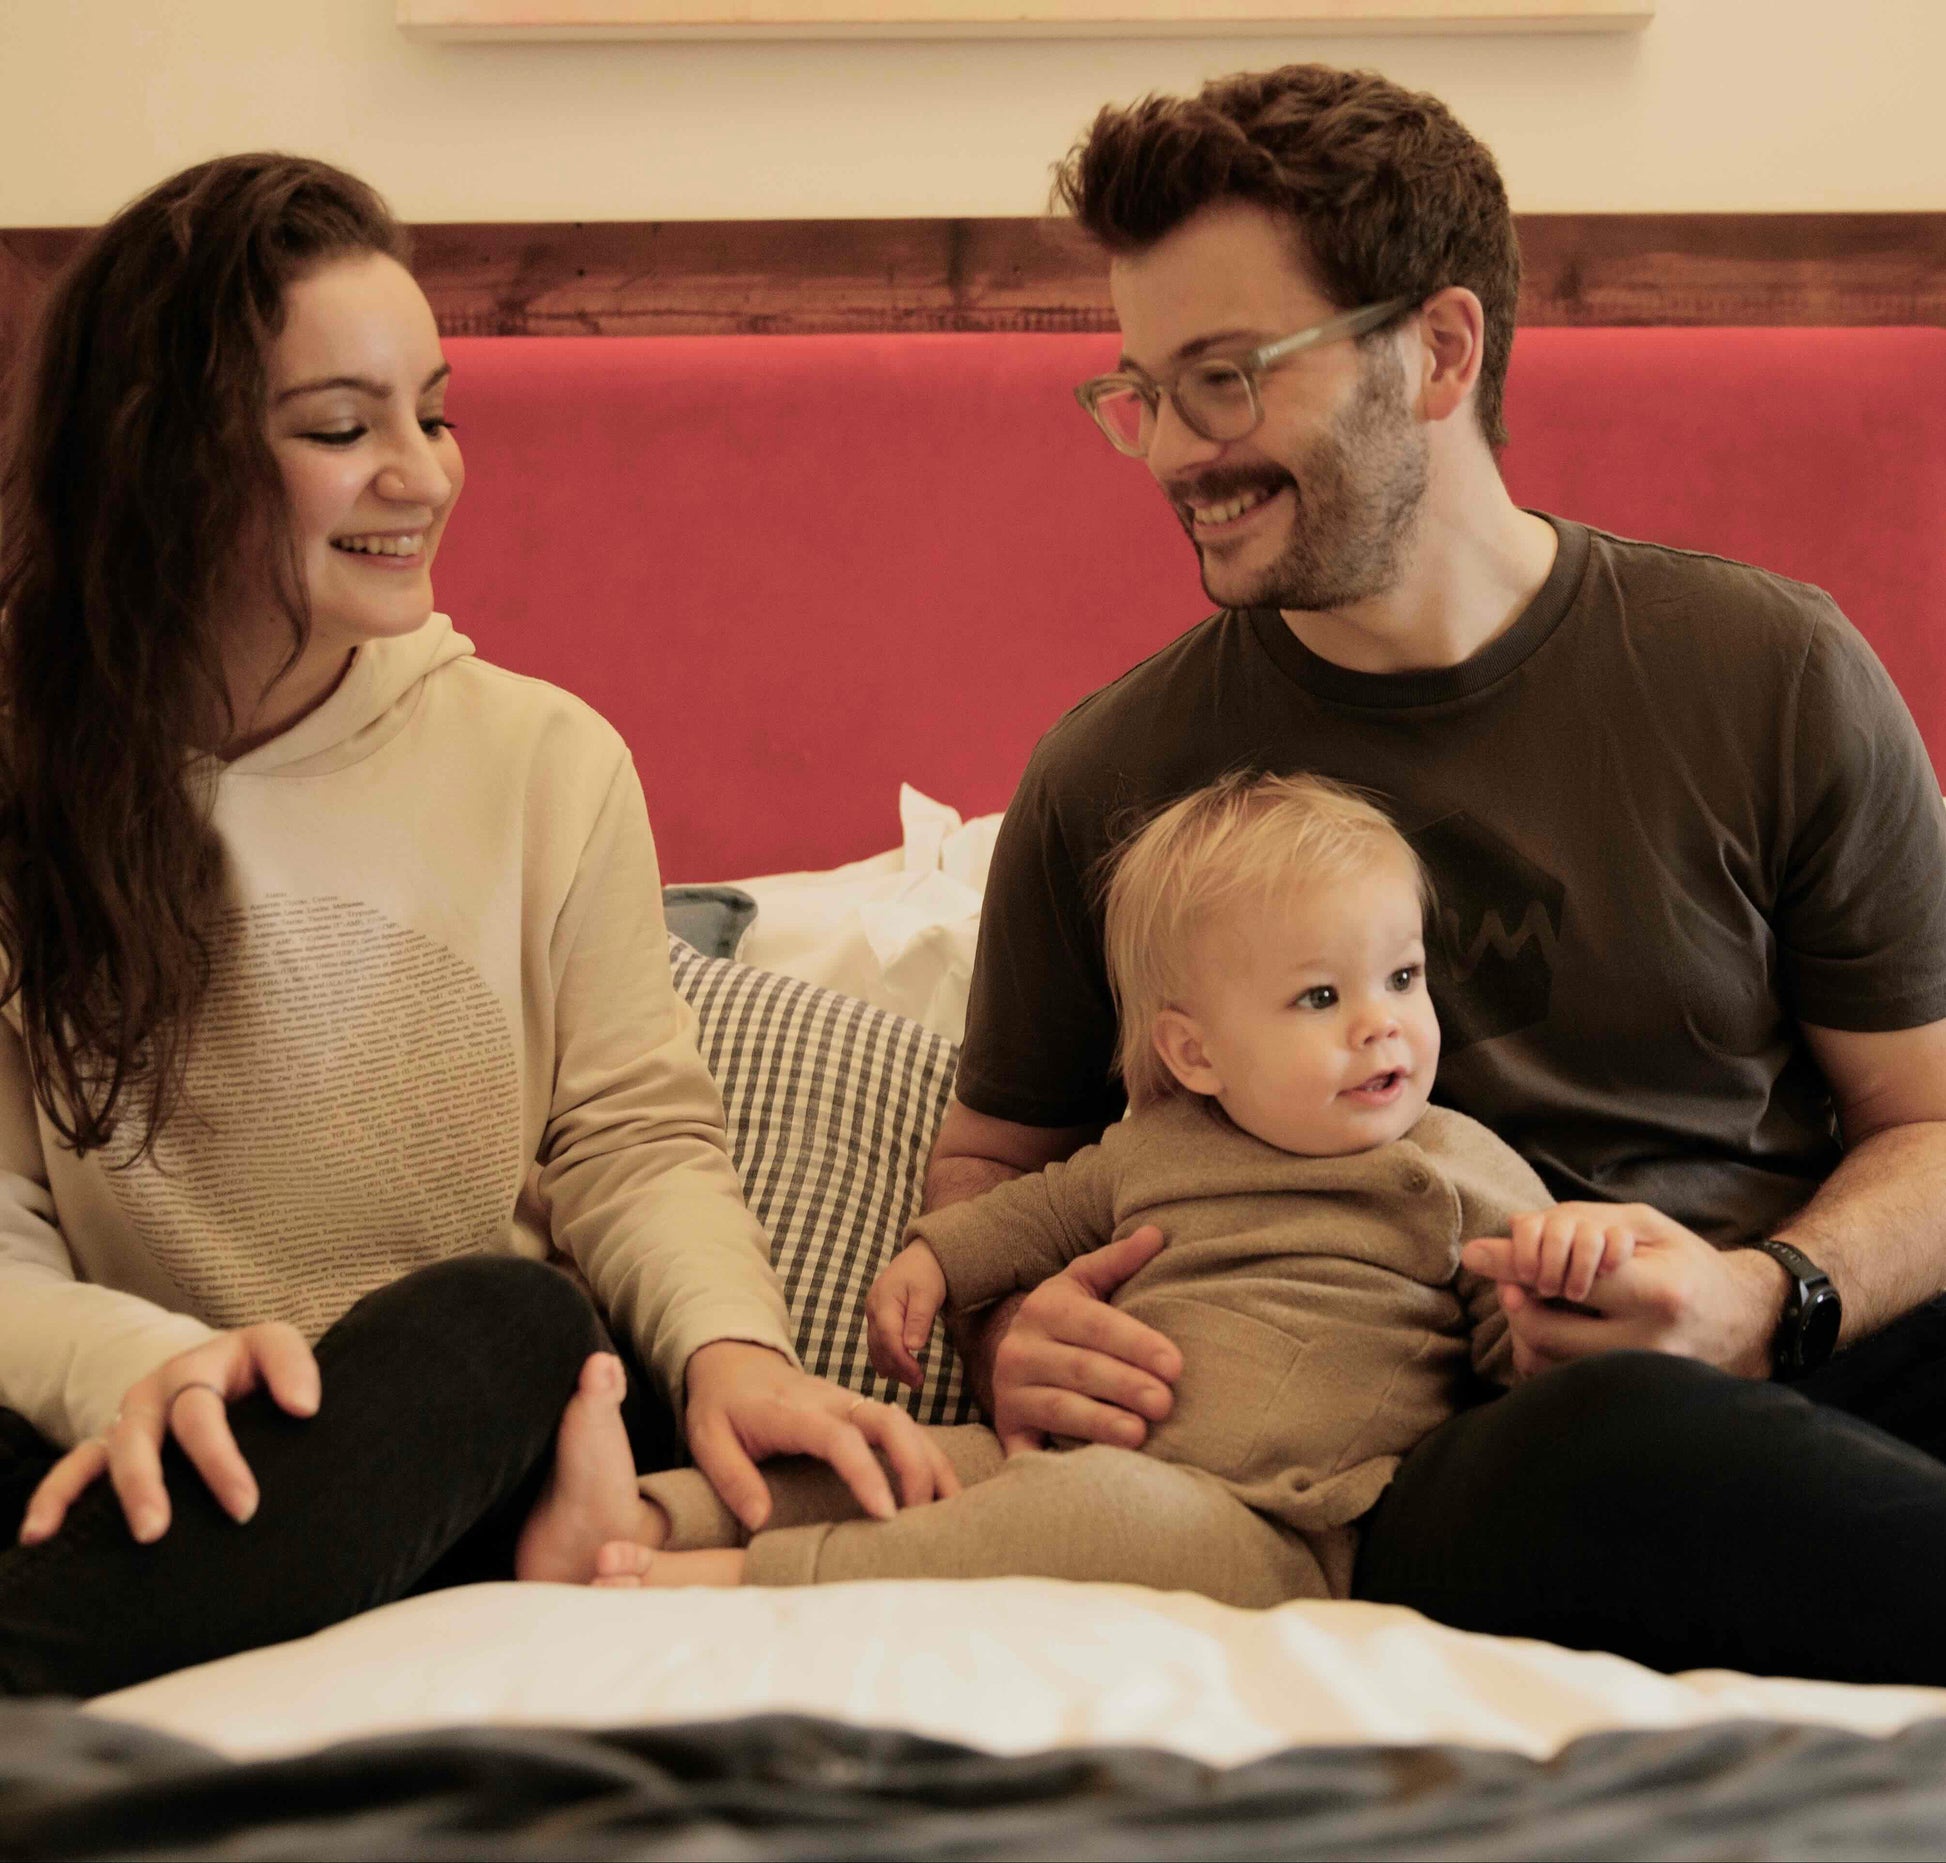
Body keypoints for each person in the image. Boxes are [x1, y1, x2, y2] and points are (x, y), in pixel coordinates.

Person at [925, 66, 1946, 1684]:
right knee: (1591, 1448)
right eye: (1141, 390)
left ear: (1440, 350)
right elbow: (989, 1166)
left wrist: (1772, 1297)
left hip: (1800, 1336)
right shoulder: (1109, 776)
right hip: (1448, 1438)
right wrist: (1002, 1335)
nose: (1173, 452)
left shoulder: (1766, 670)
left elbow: (1931, 1123)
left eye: (1224, 379)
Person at [0, 152, 950, 1699]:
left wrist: (734, 1352)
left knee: (518, 1322)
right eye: (339, 427)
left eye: (431, 412)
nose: (423, 473)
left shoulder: (542, 760)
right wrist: (134, 1367)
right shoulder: (29, 756)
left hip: (431, 1419)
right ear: (166, 460)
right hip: (135, 1412)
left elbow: (633, 1138)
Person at [557, 773, 1639, 1600]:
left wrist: (1557, 1279)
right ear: (1196, 1052)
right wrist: (934, 1262)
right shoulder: (1159, 1147)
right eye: (1318, 995)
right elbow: (1033, 1214)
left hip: (1272, 1526)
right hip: (1062, 1449)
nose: (1381, 1022)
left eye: (1400, 978)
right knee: (902, 1456)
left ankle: (750, 1583)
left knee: (1092, 1511)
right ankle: (643, 1519)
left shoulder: (1450, 1164)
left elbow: (1521, 1352)